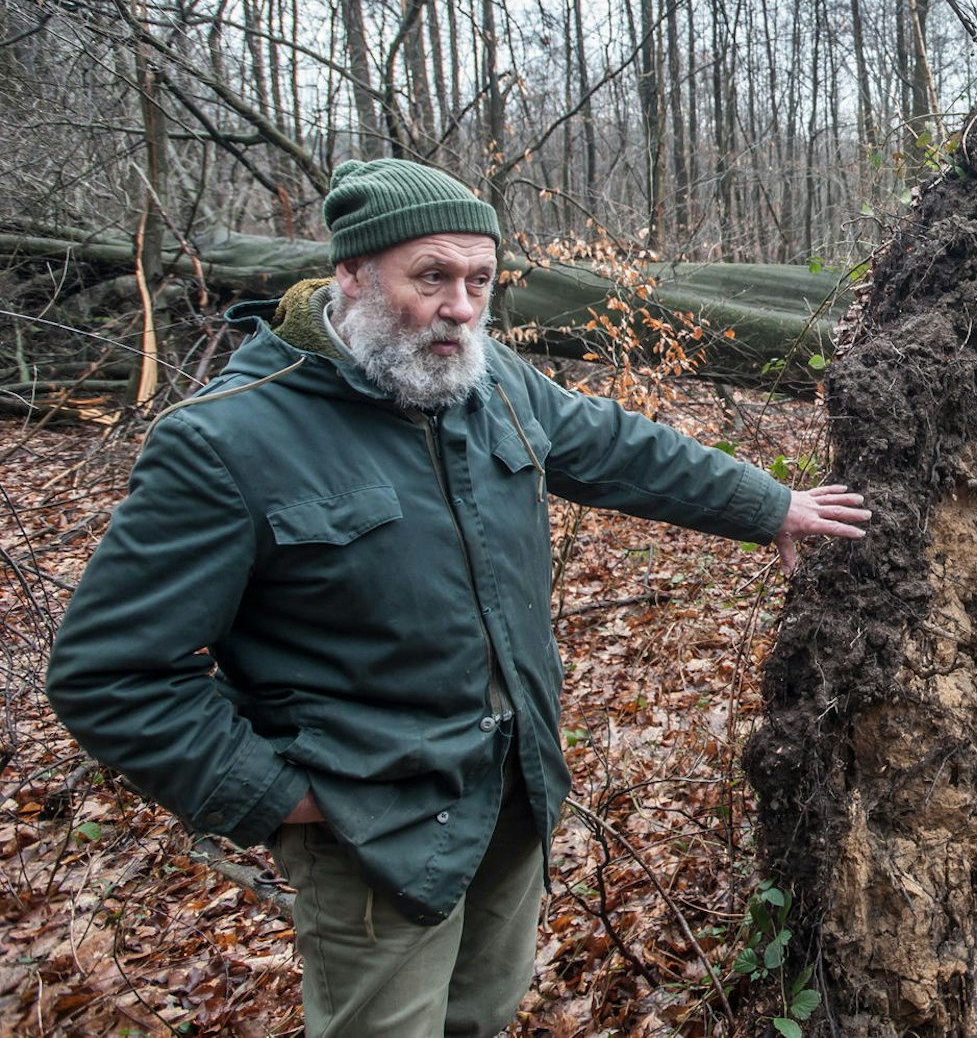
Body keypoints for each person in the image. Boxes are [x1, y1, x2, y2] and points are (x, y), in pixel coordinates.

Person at [44, 159, 868, 1038]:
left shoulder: (490, 382)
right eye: (431, 276)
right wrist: (278, 796)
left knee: (483, 1015)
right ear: (352, 274)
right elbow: (109, 671)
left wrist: (771, 503)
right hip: (373, 829)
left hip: (513, 795)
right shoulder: (227, 439)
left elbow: (618, 448)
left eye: (480, 279)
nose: (463, 307)